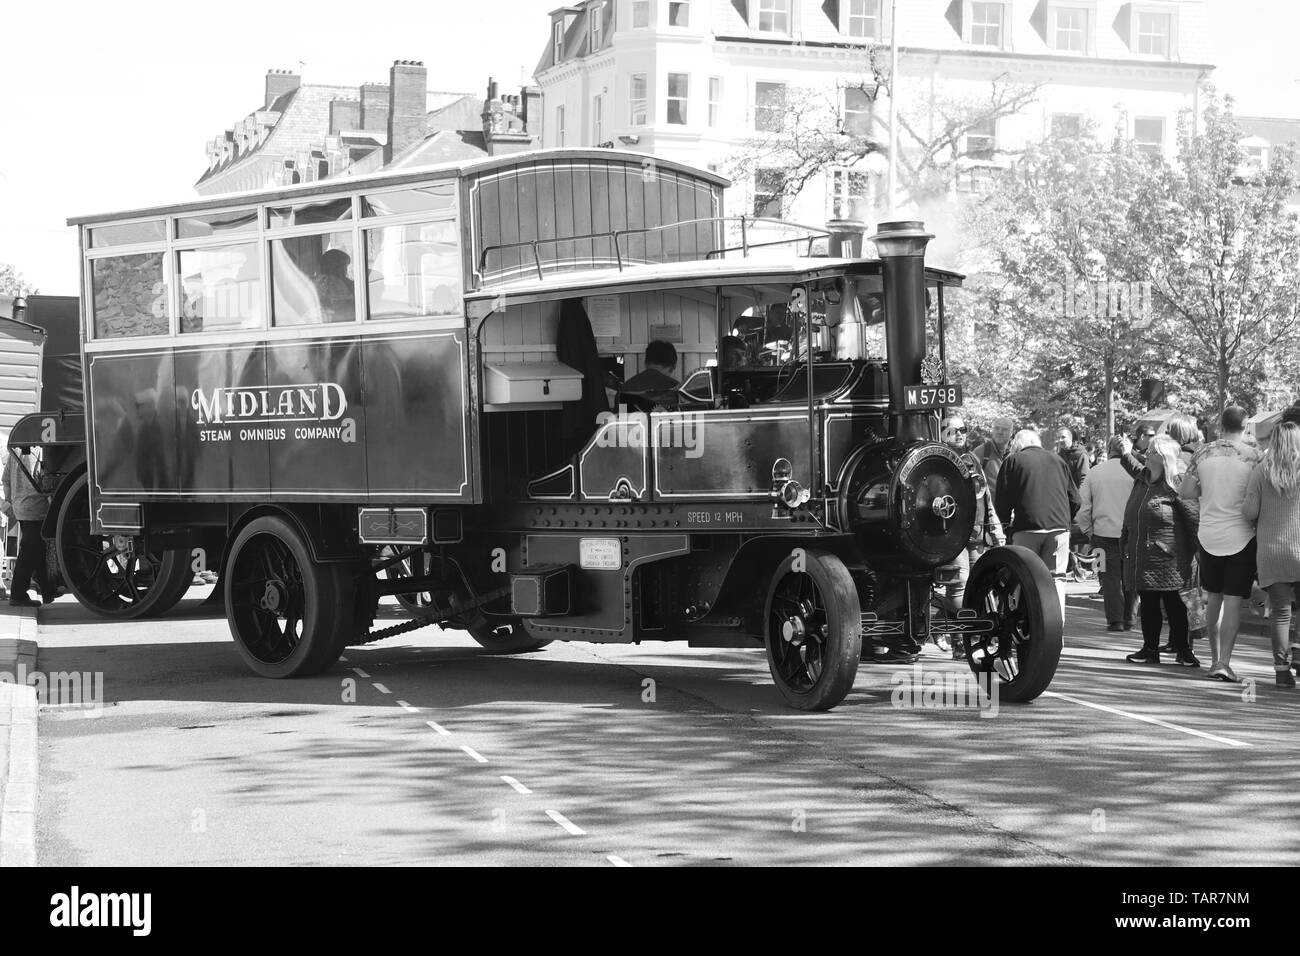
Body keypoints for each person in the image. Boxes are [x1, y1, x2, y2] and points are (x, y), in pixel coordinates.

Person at [1179, 406, 1260, 682]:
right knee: (1233, 601)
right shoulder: (1254, 456)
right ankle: (1225, 662)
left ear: (1220, 425)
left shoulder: (1202, 452)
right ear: (1245, 426)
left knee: (1213, 597)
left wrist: (1207, 492)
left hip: (1209, 534)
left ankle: (1213, 659)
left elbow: (1186, 492)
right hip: (1241, 535)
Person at [1121, 435, 1200, 666]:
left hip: (1170, 558)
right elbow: (1131, 463)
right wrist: (1125, 452)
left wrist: (1198, 553)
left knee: (1174, 603)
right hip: (1143, 555)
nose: (1146, 454)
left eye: (1152, 451)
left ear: (1162, 457)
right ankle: (1150, 649)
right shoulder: (1142, 479)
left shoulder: (1176, 484)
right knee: (1148, 601)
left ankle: (1184, 650)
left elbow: (1193, 521)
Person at [937, 414, 1004, 658]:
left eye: (963, 429)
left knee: (979, 586)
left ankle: (970, 634)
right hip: (952, 536)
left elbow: (985, 498)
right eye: (953, 430)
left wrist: (996, 530)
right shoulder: (938, 458)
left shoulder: (973, 459)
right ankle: (960, 642)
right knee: (959, 587)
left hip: (976, 534)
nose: (959, 434)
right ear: (942, 432)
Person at [1241, 421, 1300, 688]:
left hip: (1272, 551)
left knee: (1281, 613)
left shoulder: (1262, 470)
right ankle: (1298, 654)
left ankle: (1281, 672)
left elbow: (1250, 512)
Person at [995, 429, 1080, 577]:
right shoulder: (1058, 461)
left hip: (1026, 528)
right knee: (1057, 578)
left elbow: (1002, 501)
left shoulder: (1013, 461)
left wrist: (1005, 527)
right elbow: (1076, 499)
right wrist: (1065, 519)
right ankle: (1056, 601)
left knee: (1026, 577)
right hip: (1059, 528)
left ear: (1018, 444)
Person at [1077, 434, 1137, 631]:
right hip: (1131, 534)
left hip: (1102, 535)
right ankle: (1129, 617)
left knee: (1107, 577)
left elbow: (1083, 506)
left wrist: (1087, 530)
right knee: (1130, 575)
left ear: (1109, 449)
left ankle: (1115, 619)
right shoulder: (1137, 472)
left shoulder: (1095, 473)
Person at [1, 446, 54, 607]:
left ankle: (47, 590)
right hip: (36, 506)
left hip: (20, 507)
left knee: (36, 549)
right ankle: (18, 593)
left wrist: (11, 502)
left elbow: (6, 479)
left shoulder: (15, 450)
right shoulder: (41, 451)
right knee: (30, 550)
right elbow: (46, 480)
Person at [619, 340, 680, 407]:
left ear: (646, 363)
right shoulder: (676, 388)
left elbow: (622, 415)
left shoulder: (625, 387)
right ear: (673, 367)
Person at [971, 416, 1014, 504]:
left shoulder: (1015, 454)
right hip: (988, 510)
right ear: (992, 431)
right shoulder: (981, 452)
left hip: (1009, 510)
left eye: (1004, 429)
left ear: (1011, 433)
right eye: (997, 428)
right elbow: (972, 483)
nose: (1000, 432)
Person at [314, 248, 355, 323]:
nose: (345, 270)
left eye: (345, 266)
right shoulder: (325, 282)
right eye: (344, 266)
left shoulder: (348, 283)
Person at [1054, 425, 1090, 490]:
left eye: (1063, 437)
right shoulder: (1060, 455)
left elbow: (1084, 478)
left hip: (1077, 494)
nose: (1060, 440)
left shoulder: (1081, 454)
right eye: (1058, 438)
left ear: (1070, 438)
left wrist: (1080, 497)